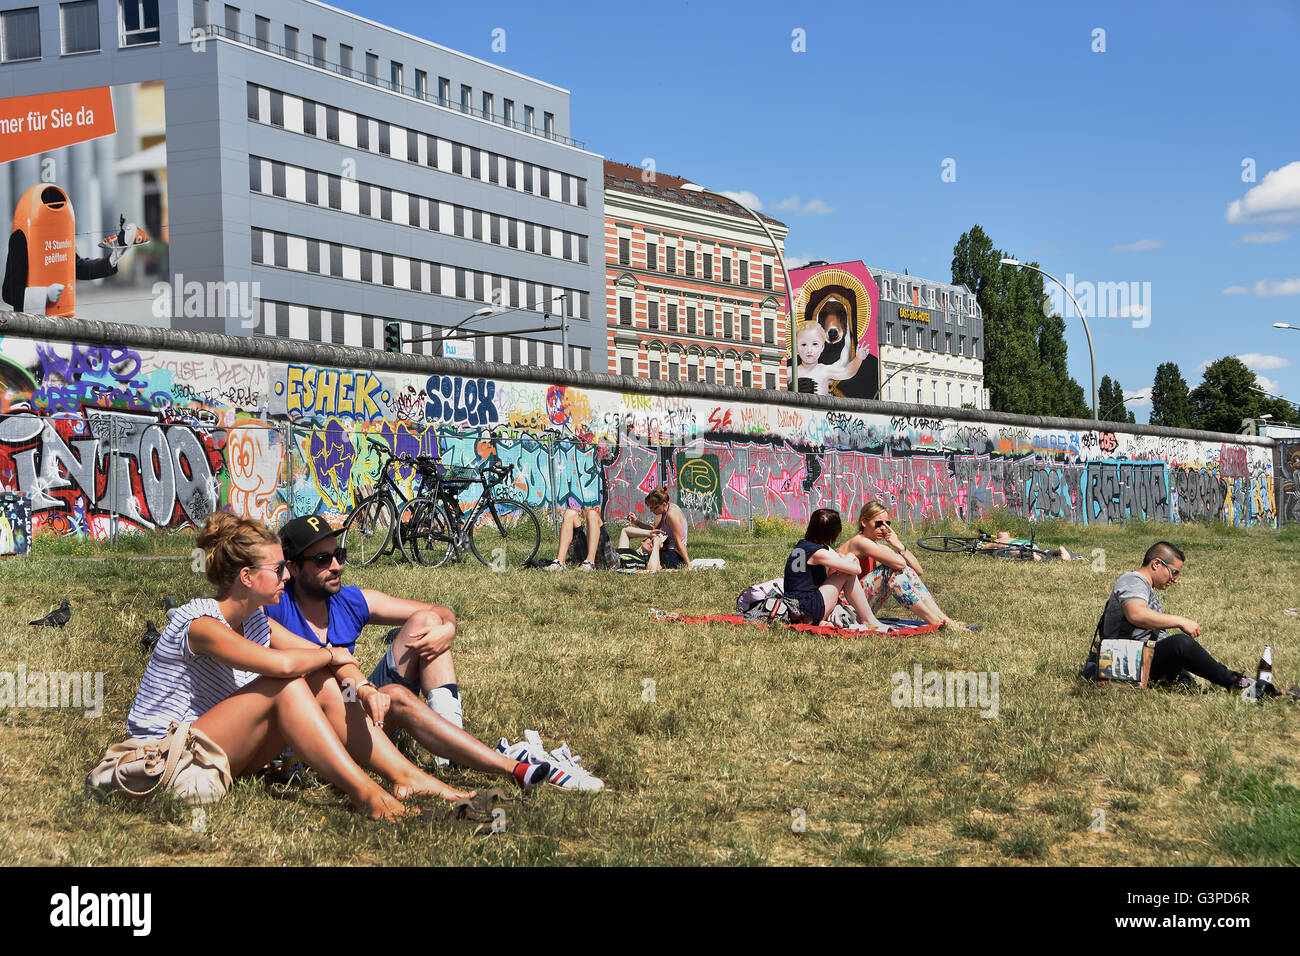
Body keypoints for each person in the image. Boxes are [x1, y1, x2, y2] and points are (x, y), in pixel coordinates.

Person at [125, 513, 464, 821]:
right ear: (246, 576)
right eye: (277, 569)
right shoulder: (200, 624)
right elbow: (286, 662)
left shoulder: (257, 621)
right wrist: (330, 656)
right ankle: (367, 795)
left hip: (214, 752)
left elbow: (319, 656)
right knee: (287, 683)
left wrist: (356, 680)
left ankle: (408, 777)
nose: (286, 575)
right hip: (162, 756)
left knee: (315, 676)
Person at [267, 516, 554, 791]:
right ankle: (501, 765)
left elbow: (437, 611)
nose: (337, 566)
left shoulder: (347, 601)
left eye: (339, 555)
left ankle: (452, 754)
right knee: (395, 695)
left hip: (353, 704)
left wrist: (449, 627)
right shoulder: (274, 605)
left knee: (428, 623)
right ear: (292, 568)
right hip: (307, 733)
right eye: (322, 560)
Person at [1097, 541, 1274, 694]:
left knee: (1184, 666)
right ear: (1156, 564)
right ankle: (1236, 683)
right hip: (1125, 662)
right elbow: (1136, 614)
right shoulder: (1133, 580)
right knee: (1181, 644)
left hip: (1143, 659)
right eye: (1174, 572)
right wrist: (1180, 621)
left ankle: (1237, 683)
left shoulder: (1144, 586)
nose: (1174, 579)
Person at [838, 501, 974, 630]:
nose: (883, 528)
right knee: (890, 569)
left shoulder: (875, 545)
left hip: (859, 605)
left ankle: (943, 618)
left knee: (900, 569)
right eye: (878, 523)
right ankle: (935, 620)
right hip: (845, 607)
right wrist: (897, 549)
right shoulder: (860, 542)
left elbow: (917, 570)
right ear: (864, 522)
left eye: (887, 523)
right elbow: (900, 563)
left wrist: (899, 546)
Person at [782, 508, 885, 630]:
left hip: (797, 605)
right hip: (806, 608)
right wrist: (852, 559)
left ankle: (865, 617)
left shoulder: (805, 545)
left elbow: (838, 557)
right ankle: (869, 619)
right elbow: (856, 570)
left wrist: (848, 559)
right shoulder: (818, 552)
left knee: (848, 564)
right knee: (848, 573)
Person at [618, 487, 691, 572]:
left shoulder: (671, 515)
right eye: (650, 507)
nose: (652, 510)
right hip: (667, 550)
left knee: (644, 560)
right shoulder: (664, 511)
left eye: (655, 508)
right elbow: (652, 529)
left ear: (663, 504)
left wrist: (688, 564)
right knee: (643, 555)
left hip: (674, 555)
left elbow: (679, 541)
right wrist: (636, 522)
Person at [794, 321, 869, 396]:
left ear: (822, 347)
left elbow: (847, 372)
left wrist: (859, 358)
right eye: (804, 345)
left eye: (815, 344)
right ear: (797, 348)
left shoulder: (824, 370)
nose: (809, 350)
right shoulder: (790, 372)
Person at [544, 506, 602, 571]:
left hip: (602, 553)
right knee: (569, 513)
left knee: (592, 514)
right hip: (582, 554)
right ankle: (560, 562)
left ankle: (591, 563)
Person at [978, 530, 1073, 561]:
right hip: (1027, 543)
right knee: (1043, 553)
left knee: (1018, 553)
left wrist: (979, 551)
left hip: (1013, 546)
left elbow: (981, 550)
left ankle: (1032, 556)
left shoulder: (998, 542)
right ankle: (1058, 551)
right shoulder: (1015, 538)